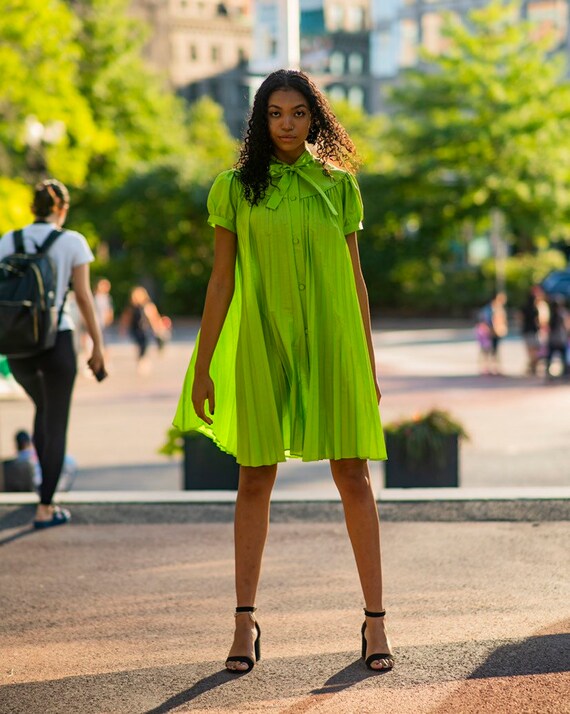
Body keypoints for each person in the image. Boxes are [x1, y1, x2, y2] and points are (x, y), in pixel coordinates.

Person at [174, 69, 393, 673]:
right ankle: (244, 624)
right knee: (254, 476)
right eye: (276, 113)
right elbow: (221, 281)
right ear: (260, 119)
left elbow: (355, 280)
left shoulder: (338, 186)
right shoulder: (235, 189)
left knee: (353, 473)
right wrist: (204, 366)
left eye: (299, 113)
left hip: (333, 339)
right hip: (262, 339)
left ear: (315, 118)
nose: (288, 124)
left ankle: (376, 623)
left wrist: (367, 363)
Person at [0, 179, 106, 528]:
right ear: (62, 209)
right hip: (56, 339)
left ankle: (41, 493)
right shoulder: (72, 242)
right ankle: (45, 507)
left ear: (33, 208)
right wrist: (97, 346)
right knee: (56, 421)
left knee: (42, 408)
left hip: (17, 343)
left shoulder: (8, 241)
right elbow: (84, 297)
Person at [119, 286, 166, 374]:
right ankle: (141, 360)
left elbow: (154, 318)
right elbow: (126, 318)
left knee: (145, 345)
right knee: (140, 345)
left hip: (146, 329)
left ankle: (143, 361)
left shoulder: (148, 306)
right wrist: (123, 329)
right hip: (135, 329)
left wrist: (158, 328)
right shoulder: (131, 307)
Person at [477, 291, 508, 375]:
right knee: (486, 350)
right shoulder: (489, 309)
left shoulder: (498, 308)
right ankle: (487, 367)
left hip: (496, 332)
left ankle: (494, 367)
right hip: (489, 332)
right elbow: (485, 320)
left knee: (495, 350)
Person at [545, 296, 569, 379]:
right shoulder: (563, 313)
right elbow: (567, 326)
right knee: (563, 357)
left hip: (552, 339)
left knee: (550, 357)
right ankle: (565, 373)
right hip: (561, 338)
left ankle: (548, 373)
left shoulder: (551, 314)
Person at [520, 288, 541, 375]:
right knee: (535, 350)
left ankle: (532, 367)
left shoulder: (524, 307)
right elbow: (537, 321)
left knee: (530, 351)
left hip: (527, 330)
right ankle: (533, 367)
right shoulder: (535, 308)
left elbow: (520, 319)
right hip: (533, 330)